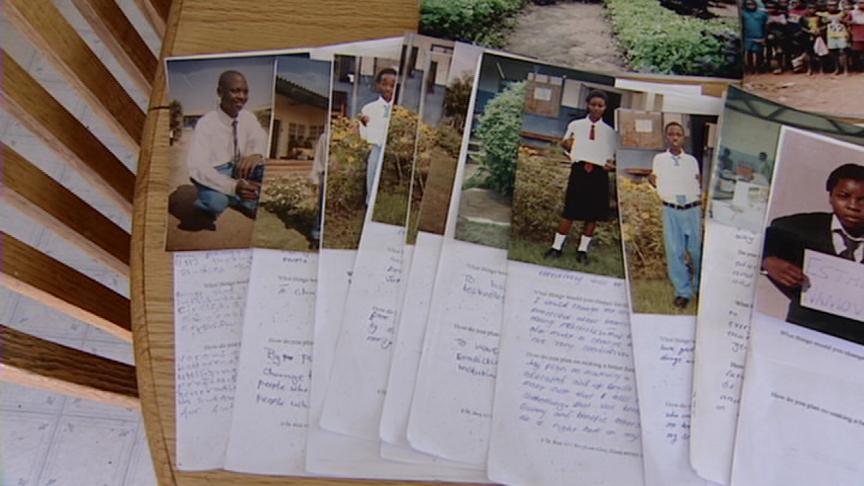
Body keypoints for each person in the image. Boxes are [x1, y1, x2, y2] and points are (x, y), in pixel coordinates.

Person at [761, 163, 864, 343]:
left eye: (863, 200)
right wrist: (767, 262)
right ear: (830, 196)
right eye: (844, 196)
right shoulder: (798, 228)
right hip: (802, 334)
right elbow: (755, 244)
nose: (853, 206)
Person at [186, 70, 268, 227]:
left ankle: (240, 198)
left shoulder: (247, 116)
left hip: (239, 168)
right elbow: (197, 166)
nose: (242, 97)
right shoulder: (206, 123)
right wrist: (233, 186)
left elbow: (260, 136)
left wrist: (256, 153)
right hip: (216, 171)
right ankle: (211, 204)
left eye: (245, 91)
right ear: (220, 92)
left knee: (263, 168)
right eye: (235, 91)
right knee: (216, 203)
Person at [543, 90, 617, 264]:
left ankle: (582, 250)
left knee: (592, 214)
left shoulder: (610, 132)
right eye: (593, 104)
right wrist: (566, 145)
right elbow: (566, 145)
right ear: (587, 105)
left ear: (605, 108)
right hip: (579, 170)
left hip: (599, 174)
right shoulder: (575, 125)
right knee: (570, 210)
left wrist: (610, 165)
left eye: (600, 105)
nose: (596, 108)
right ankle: (556, 248)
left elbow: (611, 157)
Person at [649, 122, 703, 309]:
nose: (674, 137)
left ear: (683, 138)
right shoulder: (660, 159)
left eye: (678, 134)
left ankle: (699, 286)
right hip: (671, 209)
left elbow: (696, 183)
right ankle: (683, 292)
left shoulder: (691, 161)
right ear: (666, 137)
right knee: (675, 251)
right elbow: (655, 181)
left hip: (692, 209)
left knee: (696, 251)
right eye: (671, 134)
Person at [359, 68, 397, 205]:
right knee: (372, 177)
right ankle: (369, 205)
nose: (388, 88)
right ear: (378, 86)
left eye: (393, 85)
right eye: (384, 84)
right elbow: (364, 136)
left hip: (395, 152)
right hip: (377, 149)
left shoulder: (400, 110)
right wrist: (364, 124)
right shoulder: (368, 109)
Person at [825, 0, 851, 74]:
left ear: (837, 6)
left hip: (841, 35)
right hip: (831, 35)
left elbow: (848, 21)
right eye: (830, 5)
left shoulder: (842, 13)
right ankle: (837, 68)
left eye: (834, 5)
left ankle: (846, 69)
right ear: (827, 6)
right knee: (833, 52)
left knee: (844, 52)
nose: (832, 7)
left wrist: (843, 20)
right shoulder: (825, 14)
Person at [744, 0, 770, 73]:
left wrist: (764, 37)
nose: (750, 5)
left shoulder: (762, 14)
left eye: (752, 4)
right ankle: (750, 68)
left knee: (759, 53)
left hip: (759, 36)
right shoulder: (743, 14)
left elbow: (765, 26)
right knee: (749, 53)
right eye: (748, 4)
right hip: (748, 37)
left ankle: (759, 68)